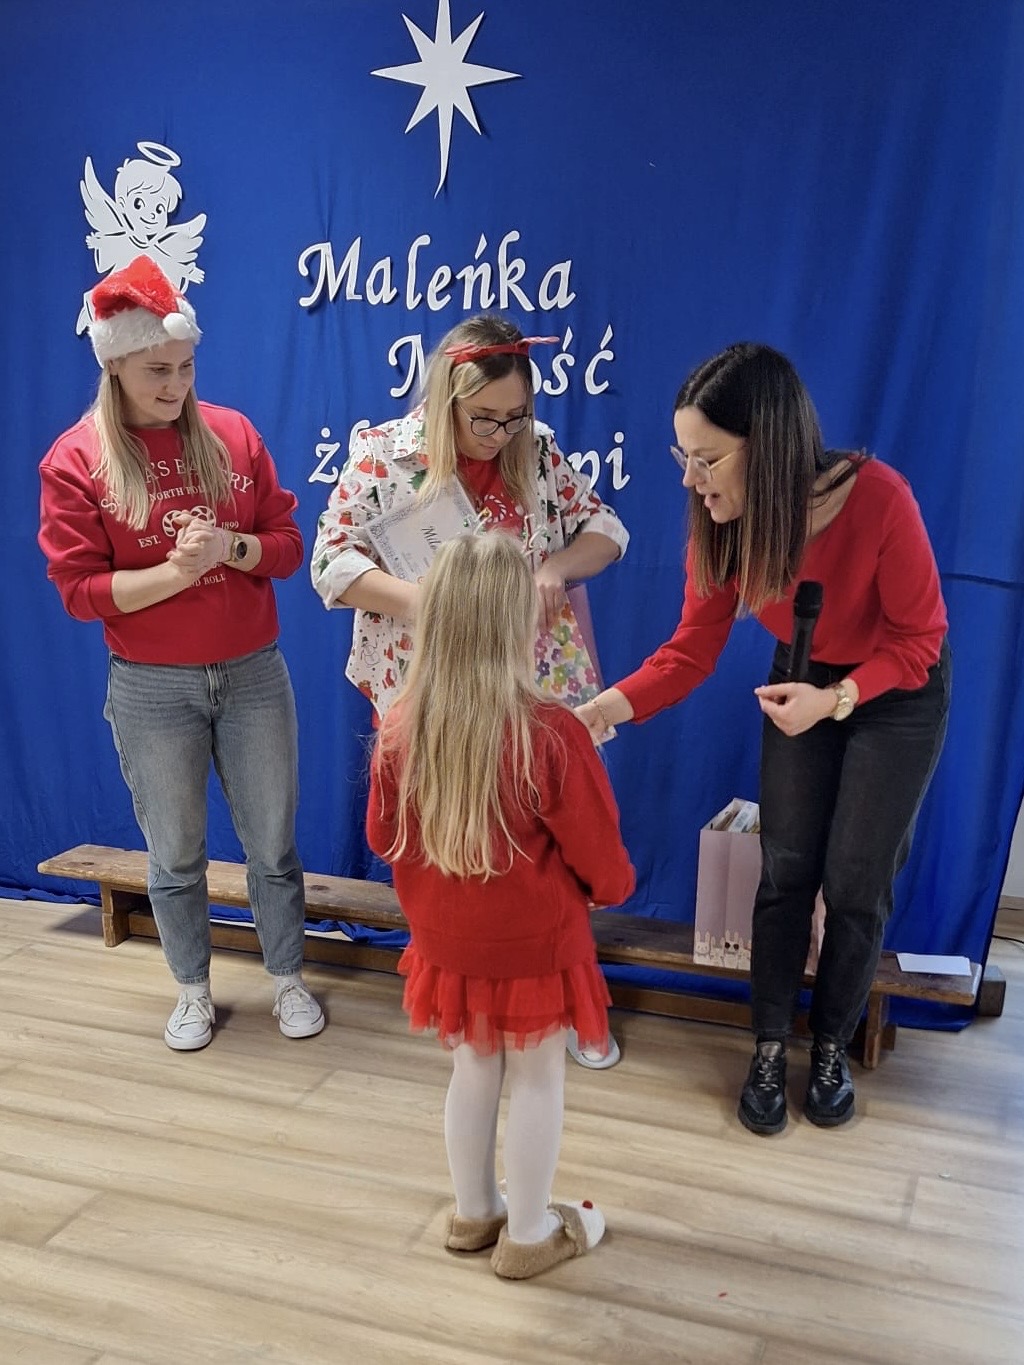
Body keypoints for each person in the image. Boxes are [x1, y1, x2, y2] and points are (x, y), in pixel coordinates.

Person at [577, 342, 950, 1135]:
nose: (690, 478)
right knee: (785, 867)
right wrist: (602, 710)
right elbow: (688, 651)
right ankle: (770, 1044)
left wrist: (837, 699)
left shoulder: (880, 499)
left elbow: (920, 639)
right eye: (683, 456)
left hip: (894, 690)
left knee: (855, 880)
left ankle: (831, 1046)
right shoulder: (721, 528)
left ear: (769, 446)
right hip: (803, 674)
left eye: (707, 458)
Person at [312, 312, 630, 1069]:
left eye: (515, 415)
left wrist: (555, 570)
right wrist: (435, 603)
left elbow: (607, 530)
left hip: (524, 681)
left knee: (548, 836)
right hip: (430, 688)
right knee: (454, 842)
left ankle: (560, 994)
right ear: (445, 397)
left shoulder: (535, 450)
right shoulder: (384, 455)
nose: (498, 432)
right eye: (484, 417)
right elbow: (331, 564)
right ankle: (464, 989)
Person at [39, 255, 324, 1052]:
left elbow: (286, 546)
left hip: (253, 672)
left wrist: (230, 546)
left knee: (273, 844)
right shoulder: (76, 459)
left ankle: (288, 976)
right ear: (115, 366)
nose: (176, 385)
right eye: (157, 371)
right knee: (174, 852)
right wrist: (176, 572)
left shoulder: (232, 434)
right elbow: (80, 592)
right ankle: (193, 990)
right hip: (151, 687)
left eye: (186, 366)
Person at [367, 532, 635, 1278]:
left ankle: (474, 1211)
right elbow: (602, 860)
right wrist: (611, 891)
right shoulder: (551, 732)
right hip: (537, 944)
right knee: (539, 1077)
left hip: (447, 941)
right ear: (522, 624)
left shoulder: (400, 727)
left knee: (473, 1070)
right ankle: (528, 1232)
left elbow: (384, 837)